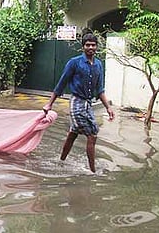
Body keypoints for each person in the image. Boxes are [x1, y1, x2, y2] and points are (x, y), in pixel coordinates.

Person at [43, 31, 114, 173]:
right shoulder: (74, 63)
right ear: (83, 47)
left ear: (96, 47)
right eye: (88, 45)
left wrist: (108, 108)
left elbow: (99, 90)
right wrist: (49, 104)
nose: (91, 48)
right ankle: (93, 172)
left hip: (88, 104)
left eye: (93, 45)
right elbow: (61, 84)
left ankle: (60, 161)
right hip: (76, 103)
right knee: (92, 134)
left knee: (73, 133)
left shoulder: (98, 65)